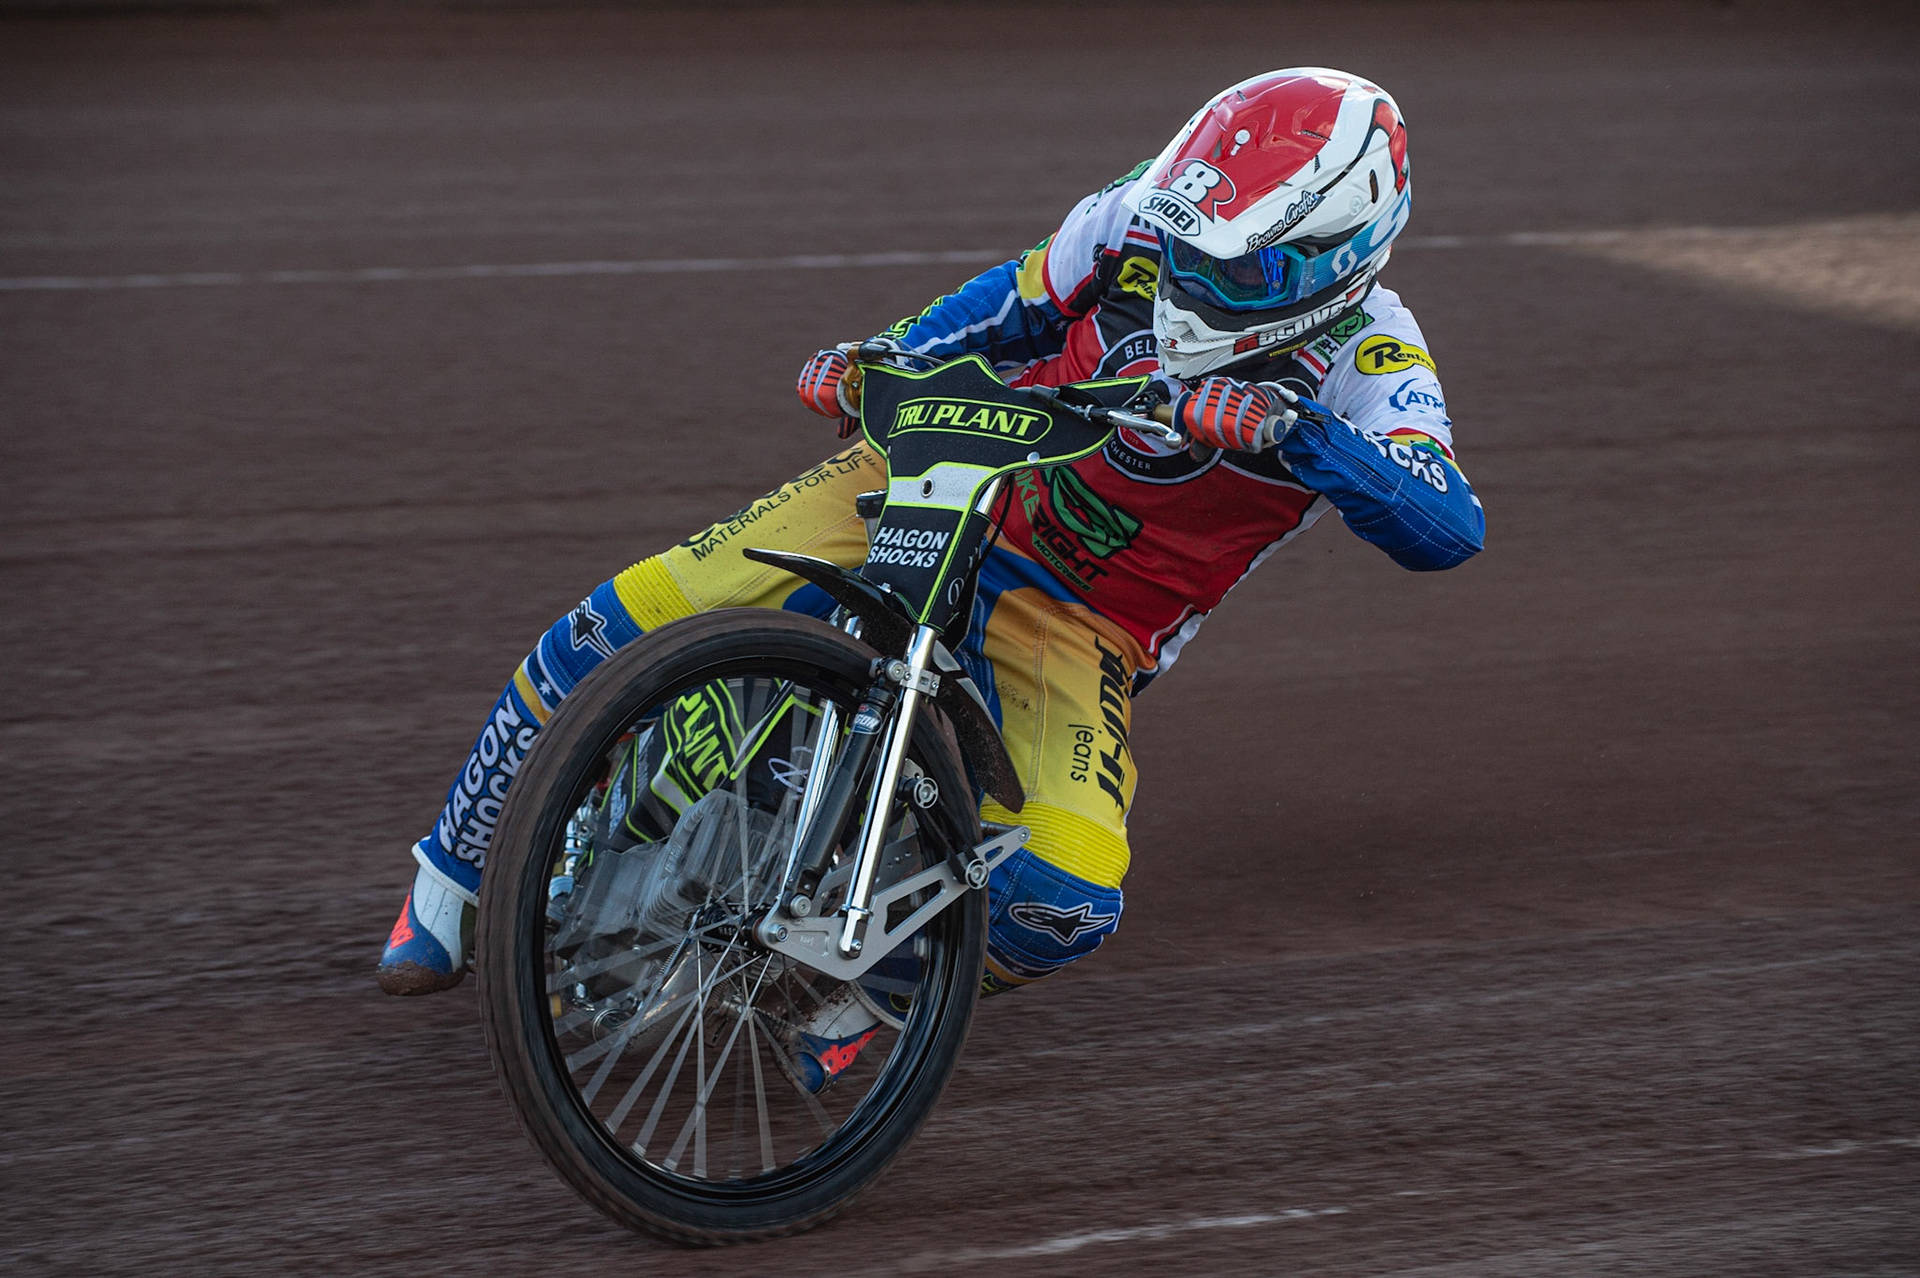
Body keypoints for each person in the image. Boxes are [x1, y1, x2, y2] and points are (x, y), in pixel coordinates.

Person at [376, 68, 1484, 1090]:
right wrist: (883, 359)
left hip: (1077, 616)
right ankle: (454, 873)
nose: (1194, 271)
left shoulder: (1374, 355)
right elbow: (1003, 305)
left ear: (1337, 257)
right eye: (1189, 242)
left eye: (1237, 265)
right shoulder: (1138, 213)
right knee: (637, 614)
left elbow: (1446, 524)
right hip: (946, 467)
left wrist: (1299, 434)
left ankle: (872, 990)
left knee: (1063, 896)